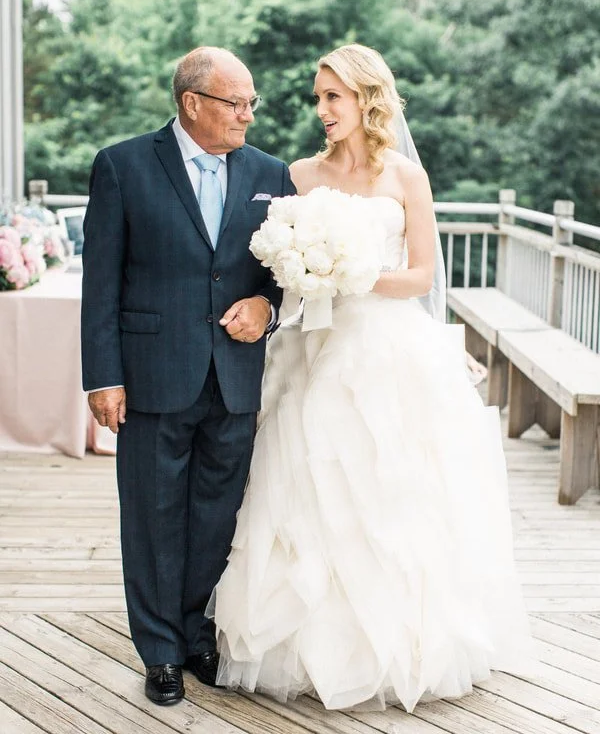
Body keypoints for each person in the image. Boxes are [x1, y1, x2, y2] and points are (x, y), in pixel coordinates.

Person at [209, 44, 534, 712]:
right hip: (315, 350)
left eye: (334, 96)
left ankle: (403, 647)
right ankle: (303, 645)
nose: (322, 110)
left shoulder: (406, 177)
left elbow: (421, 275)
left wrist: (354, 275)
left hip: (389, 349)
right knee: (308, 487)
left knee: (393, 495)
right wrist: (303, 275)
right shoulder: (299, 173)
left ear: (366, 98)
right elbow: (274, 268)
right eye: (317, 97)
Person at [81, 46, 295, 705]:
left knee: (216, 515)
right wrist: (102, 377)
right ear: (191, 103)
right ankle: (160, 653)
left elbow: (285, 276)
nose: (248, 115)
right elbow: (102, 283)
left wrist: (268, 307)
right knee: (152, 516)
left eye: (252, 103)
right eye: (236, 103)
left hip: (233, 378)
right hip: (150, 376)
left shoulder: (270, 172)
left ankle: (195, 633)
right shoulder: (122, 166)